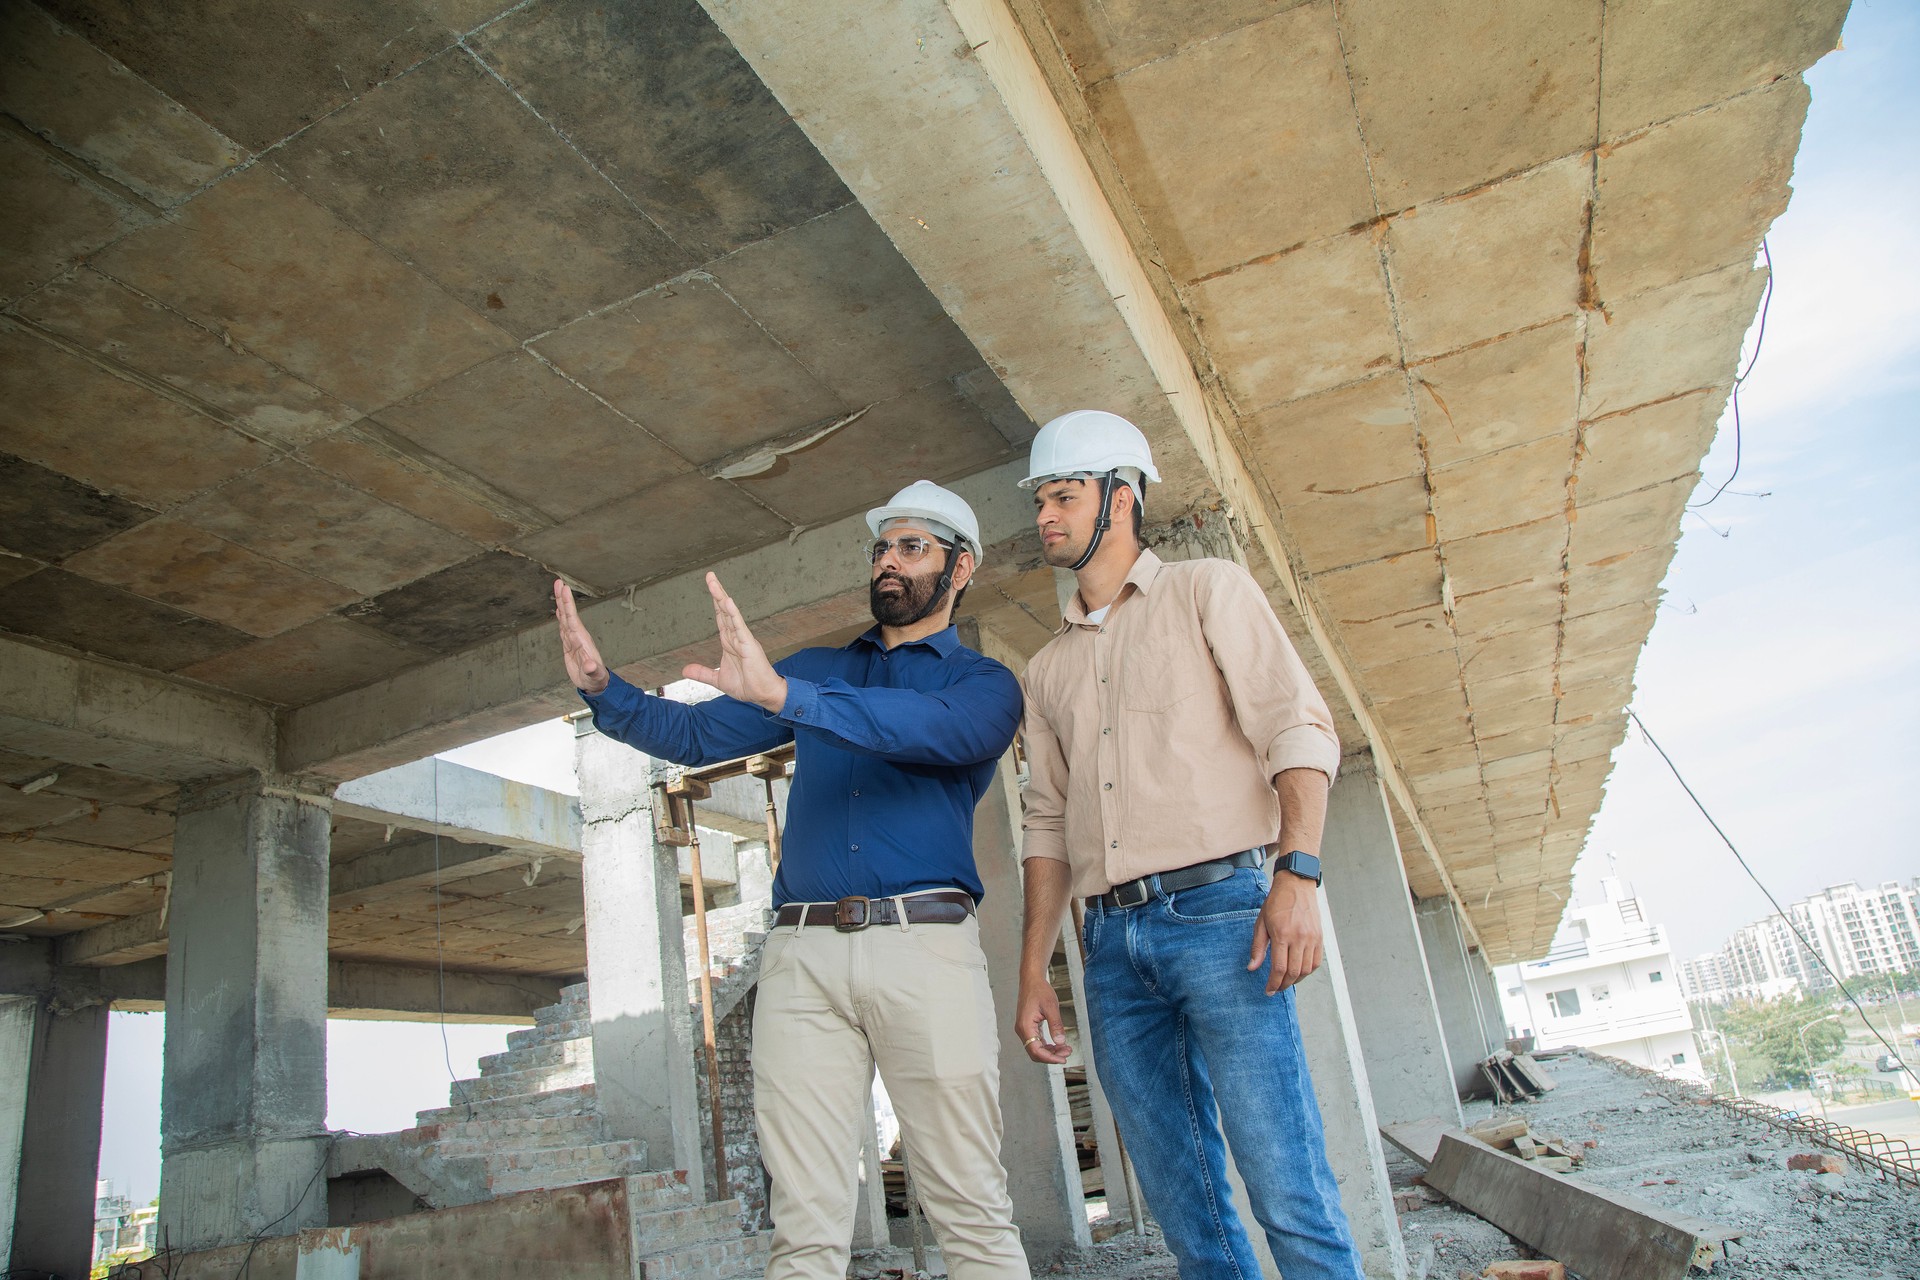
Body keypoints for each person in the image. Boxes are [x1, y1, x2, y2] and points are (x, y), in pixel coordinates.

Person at [553, 480, 1030, 1280]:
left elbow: (930, 734)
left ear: (962, 568)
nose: (889, 561)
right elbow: (700, 733)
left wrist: (789, 698)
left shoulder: (981, 687)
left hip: (926, 949)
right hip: (802, 958)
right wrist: (609, 694)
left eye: (912, 547)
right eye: (882, 547)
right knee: (803, 1225)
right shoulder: (815, 671)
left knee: (970, 1214)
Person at [1011, 411, 1364, 1280]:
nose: (1047, 515)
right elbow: (1047, 825)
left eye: (1065, 495)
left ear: (1122, 498)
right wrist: (1033, 971)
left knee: (1286, 1182)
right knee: (1186, 1208)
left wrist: (1299, 874)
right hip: (1110, 948)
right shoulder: (1044, 670)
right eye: (1042, 500)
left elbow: (1299, 730)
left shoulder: (1209, 590)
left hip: (1223, 917)